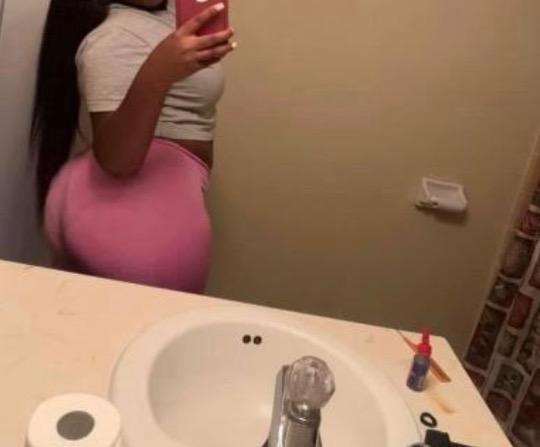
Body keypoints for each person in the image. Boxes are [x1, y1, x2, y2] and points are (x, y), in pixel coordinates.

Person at [32, 0, 236, 293]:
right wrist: (160, 69)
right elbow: (117, 162)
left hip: (148, 206)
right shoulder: (113, 38)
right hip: (133, 220)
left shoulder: (167, 13)